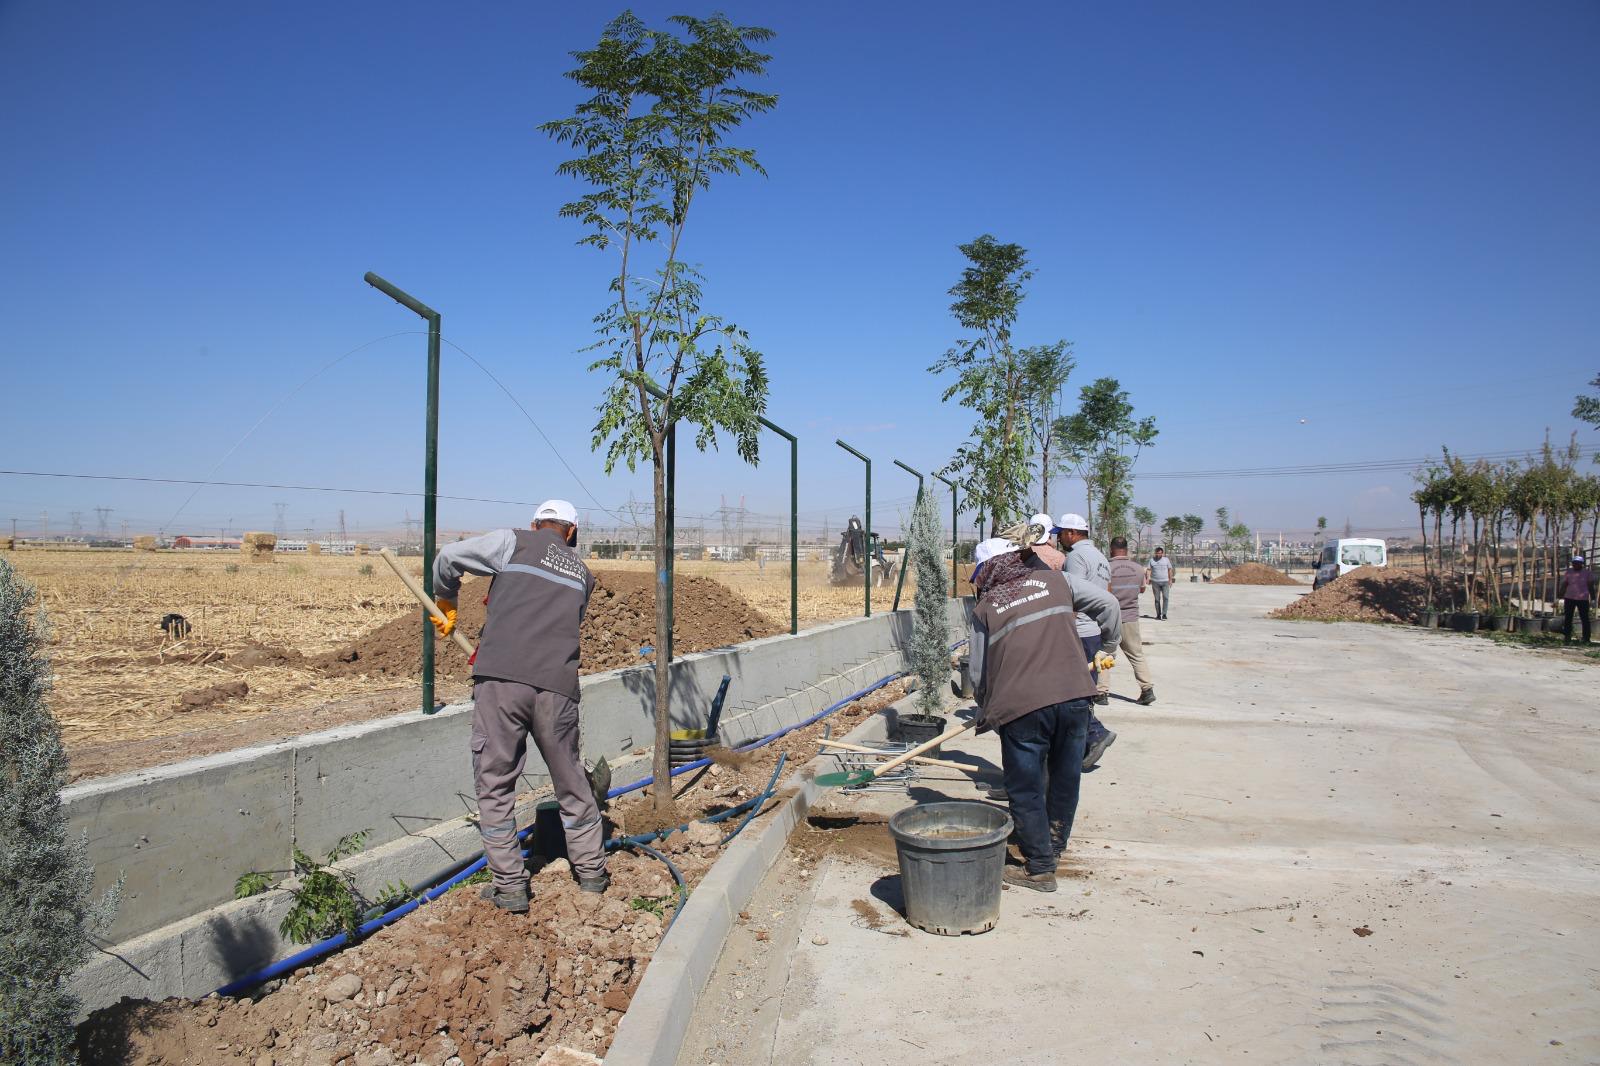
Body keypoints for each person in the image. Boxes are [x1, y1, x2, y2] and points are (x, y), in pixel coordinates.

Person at [431, 499, 608, 912]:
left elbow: (450, 557)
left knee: (494, 785)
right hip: (557, 689)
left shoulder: (513, 542)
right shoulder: (583, 574)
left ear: (534, 524)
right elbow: (560, 625)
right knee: (571, 781)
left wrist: (446, 598)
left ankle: (510, 887)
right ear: (573, 534)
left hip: (501, 683)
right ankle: (593, 875)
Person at [967, 537, 1121, 892]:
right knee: (1066, 779)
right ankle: (1053, 849)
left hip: (1021, 708)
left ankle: (1039, 868)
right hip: (1074, 697)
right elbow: (1110, 605)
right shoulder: (1058, 581)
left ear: (989, 570)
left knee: (1026, 786)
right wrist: (1108, 648)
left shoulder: (986, 607)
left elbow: (978, 674)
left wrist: (987, 708)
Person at [1054, 513, 1117, 767]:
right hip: (1094, 630)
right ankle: (1083, 742)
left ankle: (1095, 734)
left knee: (1071, 690)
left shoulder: (1076, 557)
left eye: (1061, 533)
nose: (1058, 538)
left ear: (1072, 533)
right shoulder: (1100, 557)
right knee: (1082, 689)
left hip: (1079, 630)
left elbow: (1072, 594)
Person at [1108, 536, 1156, 705]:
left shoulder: (1106, 568)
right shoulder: (1138, 568)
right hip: (1131, 618)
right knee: (1136, 655)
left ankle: (1100, 692)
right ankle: (1147, 689)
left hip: (1110, 618)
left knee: (1105, 654)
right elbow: (1142, 589)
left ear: (1111, 549)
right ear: (1126, 550)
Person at [1562, 555, 1594, 645]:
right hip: (1569, 597)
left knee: (1585, 618)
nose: (1575, 565)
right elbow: (1564, 584)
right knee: (1568, 618)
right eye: (1574, 563)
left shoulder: (1587, 573)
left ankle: (1586, 638)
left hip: (1582, 599)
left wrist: (1593, 598)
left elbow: (1590, 586)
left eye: (1577, 563)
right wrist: (1559, 596)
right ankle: (1567, 637)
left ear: (1581, 564)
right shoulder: (1569, 572)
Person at [1148, 546, 1173, 619]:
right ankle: (1158, 614)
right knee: (1157, 599)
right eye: (1157, 553)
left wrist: (1170, 580)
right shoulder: (1152, 560)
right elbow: (1149, 569)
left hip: (1165, 582)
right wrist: (1147, 578)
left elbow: (1170, 570)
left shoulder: (1166, 560)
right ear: (1155, 553)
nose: (1159, 555)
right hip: (1155, 582)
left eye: (1160, 553)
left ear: (1162, 553)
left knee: (1166, 597)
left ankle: (1164, 614)